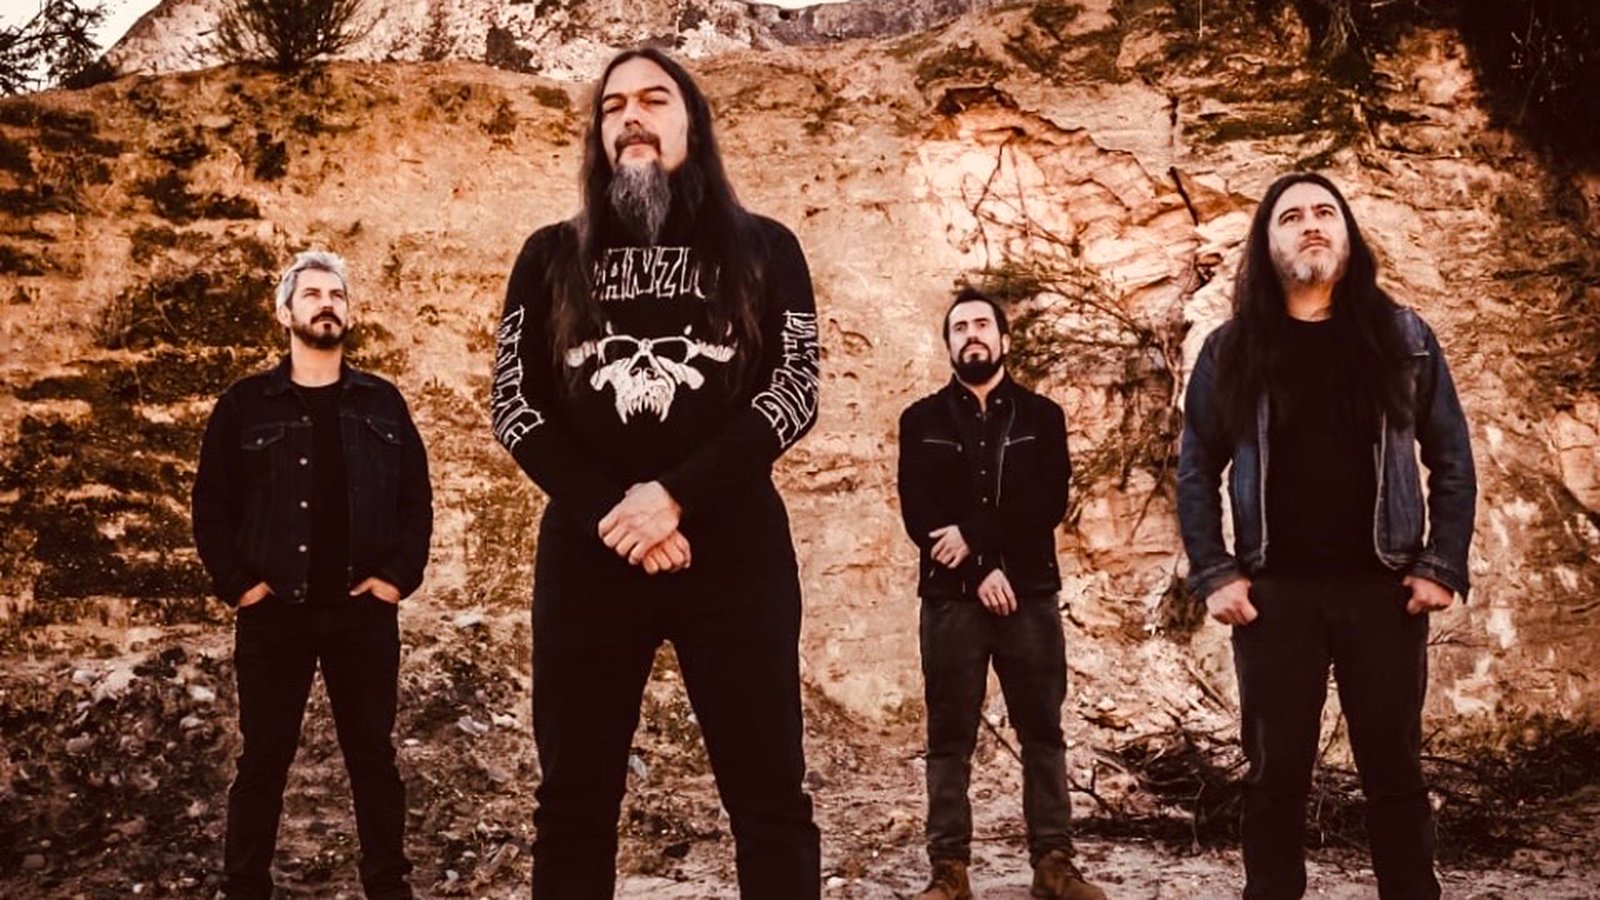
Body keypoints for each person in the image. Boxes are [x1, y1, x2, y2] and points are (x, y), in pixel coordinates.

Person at [490, 47, 822, 898]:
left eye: (654, 99)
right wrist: (617, 513)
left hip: (736, 557)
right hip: (588, 559)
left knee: (771, 802)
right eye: (613, 106)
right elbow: (515, 405)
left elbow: (794, 390)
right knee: (572, 806)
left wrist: (674, 498)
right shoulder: (548, 257)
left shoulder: (766, 248)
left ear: (692, 125)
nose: (631, 117)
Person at [1176, 172, 1476, 900]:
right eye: (1290, 217)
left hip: (1384, 590)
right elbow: (1195, 470)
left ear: (1346, 232)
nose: (1310, 224)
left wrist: (1440, 563)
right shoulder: (1231, 350)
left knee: (1395, 775)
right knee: (1274, 779)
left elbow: (1452, 457)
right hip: (1274, 596)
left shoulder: (1403, 337)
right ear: (1266, 242)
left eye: (1324, 212)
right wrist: (1216, 572)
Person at [192, 250, 433, 899]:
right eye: (312, 294)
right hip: (274, 614)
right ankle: (246, 888)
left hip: (363, 613)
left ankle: (388, 887)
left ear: (348, 313)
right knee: (263, 760)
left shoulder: (382, 403)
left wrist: (396, 579)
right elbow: (211, 506)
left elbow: (416, 500)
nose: (327, 304)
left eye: (336, 295)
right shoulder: (245, 405)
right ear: (285, 313)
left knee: (373, 758)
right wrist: (241, 587)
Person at [896, 287, 1107, 900]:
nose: (972, 335)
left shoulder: (1043, 417)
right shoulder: (921, 421)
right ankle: (949, 871)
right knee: (949, 738)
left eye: (982, 325)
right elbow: (919, 513)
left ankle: (1054, 864)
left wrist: (977, 542)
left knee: (1043, 732)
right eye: (960, 328)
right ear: (948, 344)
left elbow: (1047, 502)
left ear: (1004, 339)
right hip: (951, 601)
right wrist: (978, 572)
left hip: (1029, 596)